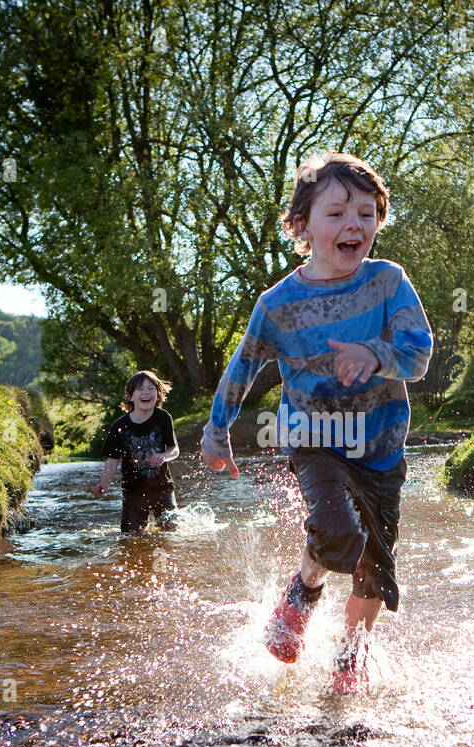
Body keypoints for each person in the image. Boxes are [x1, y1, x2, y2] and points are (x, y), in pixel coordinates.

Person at [200, 151, 432, 694]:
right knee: (336, 530)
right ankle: (301, 593)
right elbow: (242, 368)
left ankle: (349, 658)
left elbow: (418, 355)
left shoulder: (388, 283)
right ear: (303, 226)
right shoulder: (278, 304)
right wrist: (217, 430)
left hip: (382, 449)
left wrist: (376, 356)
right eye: (338, 213)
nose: (355, 224)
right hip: (315, 441)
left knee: (375, 566)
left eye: (368, 213)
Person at [92, 370, 180, 533]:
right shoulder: (119, 426)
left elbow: (174, 449)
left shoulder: (163, 418)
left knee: (172, 533)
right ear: (130, 396)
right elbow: (112, 461)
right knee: (130, 538)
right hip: (134, 493)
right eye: (140, 389)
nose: (146, 392)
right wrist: (103, 484)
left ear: (158, 394)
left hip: (162, 489)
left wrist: (164, 456)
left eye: (151, 388)